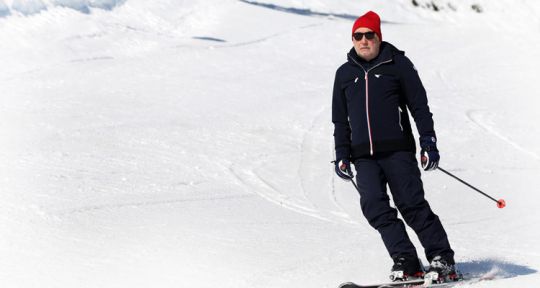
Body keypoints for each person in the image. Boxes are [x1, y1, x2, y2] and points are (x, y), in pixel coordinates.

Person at [331, 11, 457, 282]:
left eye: (369, 35)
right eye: (358, 36)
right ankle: (406, 260)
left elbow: (419, 107)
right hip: (363, 156)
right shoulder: (344, 74)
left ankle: (442, 258)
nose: (364, 41)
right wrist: (342, 154)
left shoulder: (398, 64)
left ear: (379, 37)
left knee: (411, 204)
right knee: (375, 208)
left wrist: (428, 142)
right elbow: (340, 121)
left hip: (397, 151)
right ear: (352, 40)